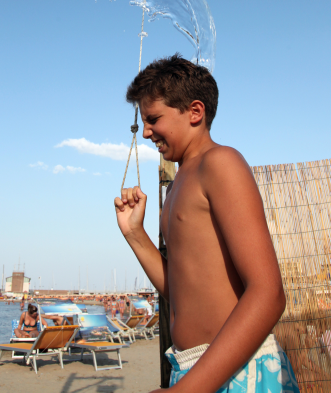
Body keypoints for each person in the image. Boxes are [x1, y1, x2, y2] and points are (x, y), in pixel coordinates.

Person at [114, 54, 299, 392]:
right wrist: (135, 235)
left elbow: (268, 293)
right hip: (194, 369)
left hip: (238, 369)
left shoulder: (220, 163)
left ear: (195, 112)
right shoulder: (177, 185)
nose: (145, 133)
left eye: (153, 119)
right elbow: (180, 292)